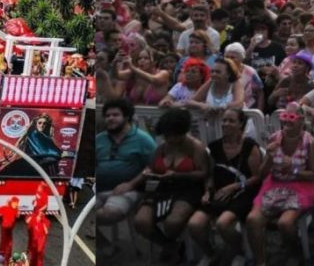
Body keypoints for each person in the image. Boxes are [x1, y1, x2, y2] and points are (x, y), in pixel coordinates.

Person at [245, 102, 314, 266]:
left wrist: (293, 169)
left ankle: (295, 256)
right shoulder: (274, 139)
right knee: (253, 219)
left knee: (285, 223)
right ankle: (260, 262)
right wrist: (270, 158)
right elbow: (261, 174)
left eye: (291, 117)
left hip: (301, 185)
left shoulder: (309, 142)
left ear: (301, 120)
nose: (287, 121)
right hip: (274, 184)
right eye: (284, 117)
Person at [186, 108, 263, 266]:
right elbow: (210, 174)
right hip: (219, 190)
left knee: (223, 223)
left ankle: (240, 250)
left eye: (231, 121)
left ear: (241, 123)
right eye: (224, 120)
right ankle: (211, 252)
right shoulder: (214, 147)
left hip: (244, 191)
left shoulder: (249, 146)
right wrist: (207, 191)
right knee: (195, 224)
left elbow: (257, 177)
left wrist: (235, 186)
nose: (226, 124)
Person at [133, 108, 209, 263]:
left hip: (189, 189)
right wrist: (148, 173)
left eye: (172, 135)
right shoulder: (162, 148)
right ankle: (171, 245)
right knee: (141, 221)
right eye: (166, 135)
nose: (168, 139)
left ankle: (174, 246)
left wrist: (177, 175)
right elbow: (153, 167)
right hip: (163, 188)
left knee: (172, 223)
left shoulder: (196, 147)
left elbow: (204, 173)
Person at [95, 98, 156, 252]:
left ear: (127, 117)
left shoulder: (143, 139)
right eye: (107, 115)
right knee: (83, 217)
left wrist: (131, 184)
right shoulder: (99, 139)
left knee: (107, 214)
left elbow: (154, 166)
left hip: (129, 190)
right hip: (98, 190)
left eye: (115, 115)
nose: (110, 118)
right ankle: (106, 246)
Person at [0, 113, 63, 178]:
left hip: (36, 166)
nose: (42, 125)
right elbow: (52, 152)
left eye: (45, 123)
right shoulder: (34, 133)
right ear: (35, 124)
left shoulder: (45, 138)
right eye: (40, 123)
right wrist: (62, 153)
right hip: (31, 166)